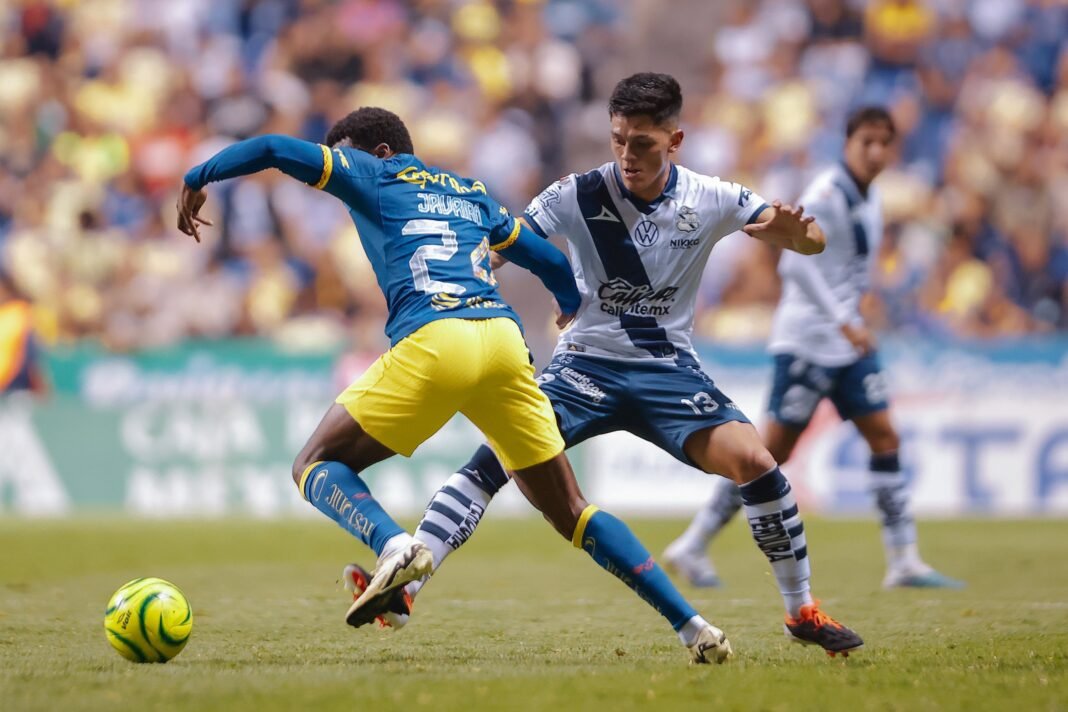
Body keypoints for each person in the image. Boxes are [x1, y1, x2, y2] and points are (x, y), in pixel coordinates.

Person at [178, 106, 732, 664]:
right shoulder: (469, 191)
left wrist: (197, 177)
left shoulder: (372, 174)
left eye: (346, 156)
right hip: (503, 342)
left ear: (380, 152)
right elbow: (546, 259)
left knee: (314, 463)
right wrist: (568, 304)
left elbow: (273, 147)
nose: (340, 172)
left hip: (436, 338)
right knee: (571, 508)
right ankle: (694, 628)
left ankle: (394, 546)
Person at [346, 75, 864, 657]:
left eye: (642, 143)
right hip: (583, 369)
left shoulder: (712, 196)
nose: (626, 156)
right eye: (617, 140)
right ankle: (408, 585)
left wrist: (802, 235)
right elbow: (503, 243)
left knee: (757, 462)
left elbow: (807, 238)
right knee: (494, 459)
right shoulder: (574, 193)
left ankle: (802, 612)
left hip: (667, 369)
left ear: (675, 140)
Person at [663, 107, 963, 590]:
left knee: (885, 436)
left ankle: (904, 559)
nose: (876, 152)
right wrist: (846, 320)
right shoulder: (828, 194)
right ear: (847, 144)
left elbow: (848, 269)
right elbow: (795, 266)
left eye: (885, 143)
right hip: (807, 343)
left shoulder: (872, 198)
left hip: (847, 347)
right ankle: (693, 543)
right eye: (867, 141)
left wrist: (858, 315)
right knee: (766, 456)